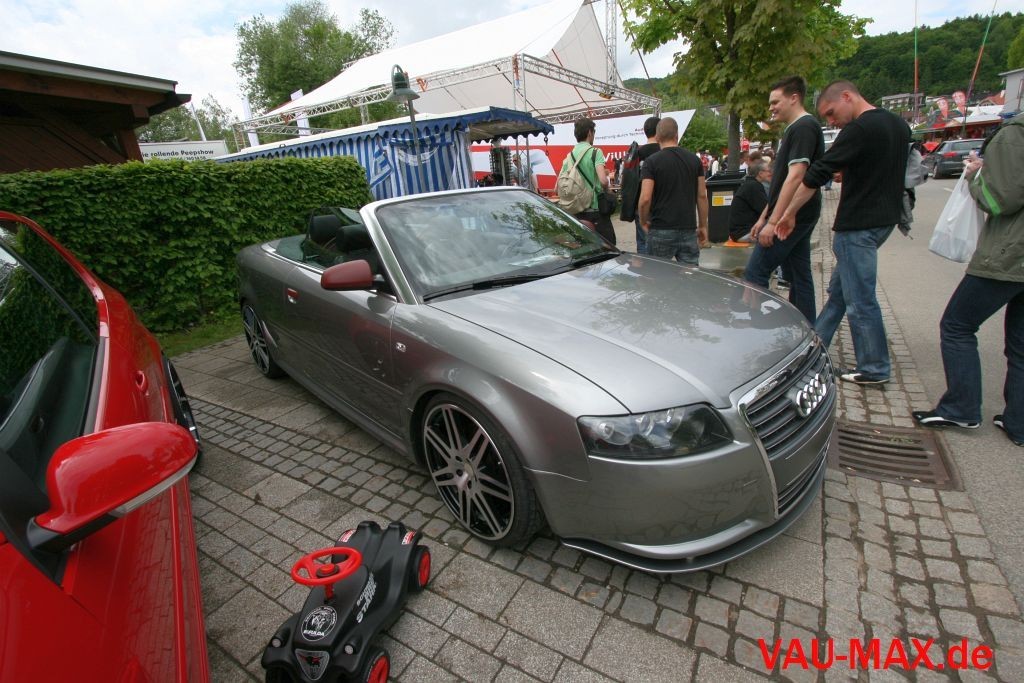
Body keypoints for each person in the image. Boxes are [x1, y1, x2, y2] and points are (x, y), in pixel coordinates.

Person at [777, 79, 911, 384]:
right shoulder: (897, 125)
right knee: (840, 293)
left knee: (859, 299)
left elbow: (816, 173)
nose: (831, 121)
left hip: (858, 223)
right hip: (884, 220)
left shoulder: (859, 129)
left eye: (831, 113)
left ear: (847, 97)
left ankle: (874, 367)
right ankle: (816, 346)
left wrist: (788, 213)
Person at [911, 114, 1024, 443]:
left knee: (957, 325)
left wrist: (976, 175)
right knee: (1020, 344)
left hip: (1009, 253)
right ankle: (1018, 423)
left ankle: (961, 408)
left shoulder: (1014, 135)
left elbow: (1000, 200)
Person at [742, 75, 824, 323]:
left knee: (755, 272)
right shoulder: (798, 128)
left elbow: (796, 176)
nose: (771, 108)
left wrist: (773, 221)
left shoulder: (803, 127)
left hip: (792, 215)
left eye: (775, 102)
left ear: (794, 98)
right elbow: (780, 184)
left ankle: (755, 326)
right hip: (796, 213)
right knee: (799, 275)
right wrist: (764, 216)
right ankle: (806, 327)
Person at [637, 117, 708, 266]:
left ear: (657, 137)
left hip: (660, 229)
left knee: (657, 275)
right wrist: (703, 225)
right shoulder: (694, 160)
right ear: (677, 135)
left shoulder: (651, 162)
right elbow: (702, 196)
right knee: (690, 274)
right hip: (688, 228)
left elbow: (645, 198)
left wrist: (643, 221)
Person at [560, 117, 615, 244]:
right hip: (595, 212)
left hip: (577, 212)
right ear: (590, 132)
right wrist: (607, 190)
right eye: (594, 132)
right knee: (606, 246)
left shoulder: (569, 156)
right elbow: (603, 180)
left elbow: (556, 186)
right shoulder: (595, 152)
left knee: (585, 248)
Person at [629, 116, 661, 255]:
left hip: (640, 205)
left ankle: (644, 267)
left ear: (645, 131)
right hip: (661, 206)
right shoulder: (664, 152)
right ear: (659, 130)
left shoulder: (637, 153)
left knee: (642, 243)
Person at [729, 159, 772, 242]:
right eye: (769, 171)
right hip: (745, 233)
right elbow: (767, 210)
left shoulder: (750, 184)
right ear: (760, 173)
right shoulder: (753, 186)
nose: (771, 173)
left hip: (739, 232)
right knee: (782, 235)